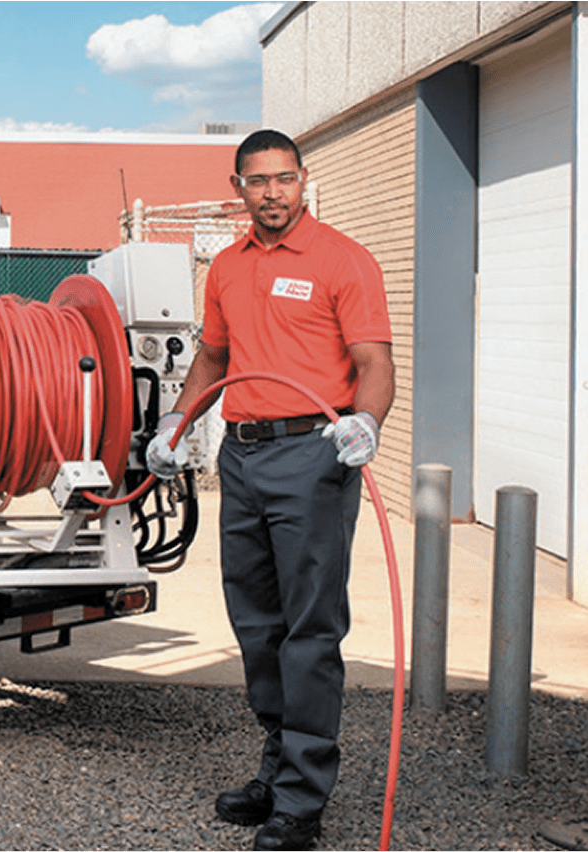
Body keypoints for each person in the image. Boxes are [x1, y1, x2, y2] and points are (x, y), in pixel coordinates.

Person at [147, 129, 395, 851]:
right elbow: (212, 357)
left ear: (302, 180)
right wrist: (175, 424)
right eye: (257, 181)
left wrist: (365, 422)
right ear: (237, 188)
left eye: (284, 179)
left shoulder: (342, 260)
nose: (272, 193)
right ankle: (276, 766)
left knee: (308, 630)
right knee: (256, 624)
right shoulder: (224, 268)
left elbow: (372, 362)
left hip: (313, 458)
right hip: (243, 457)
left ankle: (301, 801)